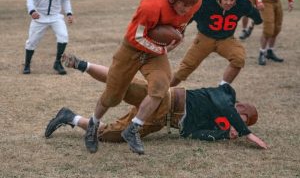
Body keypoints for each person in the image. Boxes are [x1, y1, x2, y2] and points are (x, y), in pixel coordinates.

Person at [45, 53, 268, 149]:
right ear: (239, 108)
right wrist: (245, 132)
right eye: (243, 118)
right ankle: (82, 65)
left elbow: (190, 134)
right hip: (166, 100)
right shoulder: (225, 98)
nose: (241, 123)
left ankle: (70, 116)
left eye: (245, 123)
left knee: (111, 132)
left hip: (161, 115)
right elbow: (224, 107)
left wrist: (223, 135)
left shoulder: (220, 124)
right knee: (120, 81)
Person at [83, 0, 202, 155]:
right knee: (113, 96)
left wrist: (177, 37)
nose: (185, 8)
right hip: (132, 48)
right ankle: (93, 123)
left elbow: (181, 25)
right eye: (182, 4)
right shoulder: (152, 3)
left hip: (155, 51)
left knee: (161, 87)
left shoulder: (195, 2)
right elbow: (136, 37)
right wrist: (162, 50)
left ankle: (133, 129)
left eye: (189, 5)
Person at [170, 0, 262, 88]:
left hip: (226, 39)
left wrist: (257, 18)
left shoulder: (242, 3)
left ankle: (222, 88)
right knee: (186, 67)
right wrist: (180, 31)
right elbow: (189, 17)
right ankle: (166, 90)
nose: (229, 2)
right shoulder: (206, 2)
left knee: (238, 58)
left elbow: (254, 14)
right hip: (204, 38)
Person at [23, 0, 74, 75]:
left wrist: (69, 13)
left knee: (64, 36)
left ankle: (57, 63)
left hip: (56, 16)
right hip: (40, 16)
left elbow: (66, 0)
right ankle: (27, 64)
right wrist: (32, 11)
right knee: (32, 41)